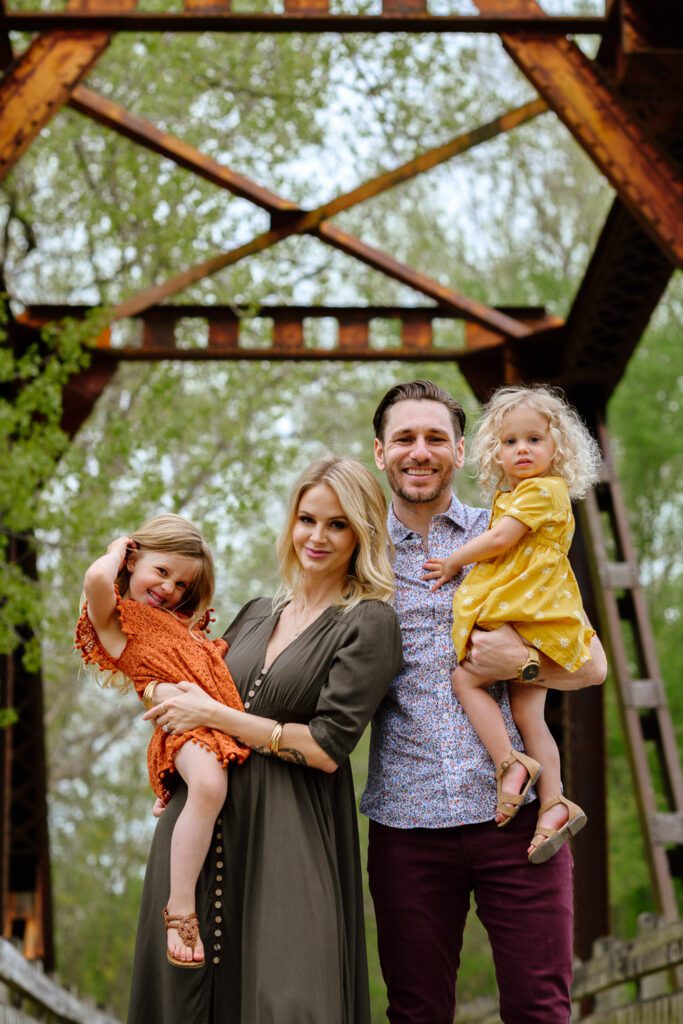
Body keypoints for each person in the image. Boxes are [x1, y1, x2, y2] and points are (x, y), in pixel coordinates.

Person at [361, 379, 607, 1024]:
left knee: (540, 1010)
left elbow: (594, 667)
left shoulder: (512, 530)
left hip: (521, 825)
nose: (420, 451)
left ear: (462, 450)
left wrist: (522, 664)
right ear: (381, 452)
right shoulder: (359, 557)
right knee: (416, 1013)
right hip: (406, 824)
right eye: (405, 439)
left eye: (435, 438)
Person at [127, 456, 403, 1024]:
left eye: (337, 524)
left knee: (288, 996)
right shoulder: (256, 613)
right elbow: (188, 697)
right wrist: (169, 767)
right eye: (307, 519)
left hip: (289, 836)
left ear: (362, 533)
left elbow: (326, 748)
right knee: (182, 997)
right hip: (194, 832)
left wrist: (217, 716)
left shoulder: (370, 622)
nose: (317, 537)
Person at [422, 385, 602, 864]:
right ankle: (553, 802)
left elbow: (501, 539)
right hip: (533, 614)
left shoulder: (543, 491)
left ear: (557, 447)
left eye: (534, 440)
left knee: (465, 679)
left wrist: (453, 561)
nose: (522, 449)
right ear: (495, 453)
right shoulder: (518, 494)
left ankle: (509, 763)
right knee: (528, 715)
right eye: (510, 442)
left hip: (529, 613)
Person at [75, 514, 250, 968]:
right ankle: (180, 908)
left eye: (181, 583)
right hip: (180, 726)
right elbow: (96, 579)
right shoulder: (117, 621)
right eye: (162, 571)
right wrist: (118, 547)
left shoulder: (181, 626)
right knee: (210, 785)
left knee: (212, 789)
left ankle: (179, 796)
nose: (169, 587)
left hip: (211, 721)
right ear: (133, 561)